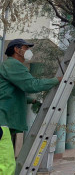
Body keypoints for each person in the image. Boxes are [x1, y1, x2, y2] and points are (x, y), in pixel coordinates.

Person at [0, 39, 61, 175]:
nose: (29, 52)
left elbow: (7, 94)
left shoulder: (8, 66)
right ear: (17, 49)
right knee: (6, 166)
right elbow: (32, 85)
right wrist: (56, 80)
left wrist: (31, 101)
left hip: (3, 122)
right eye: (26, 48)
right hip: (1, 123)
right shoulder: (13, 65)